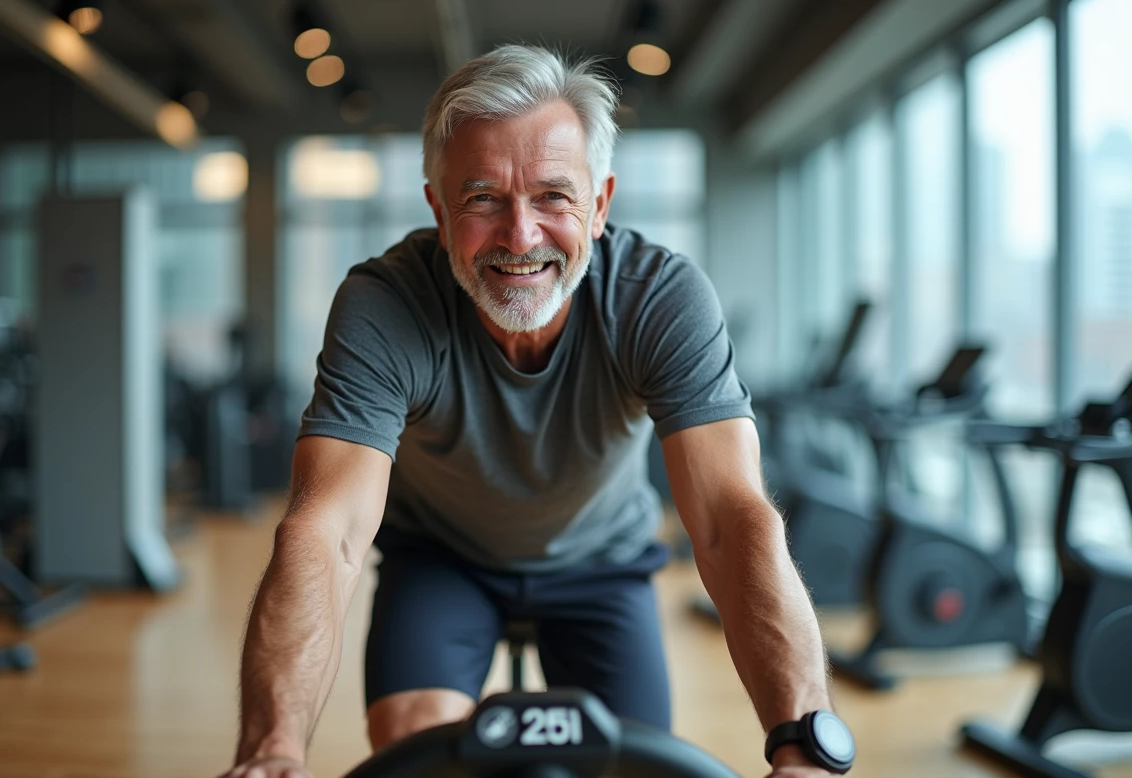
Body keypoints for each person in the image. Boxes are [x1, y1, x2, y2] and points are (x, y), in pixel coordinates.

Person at [221, 45, 851, 778]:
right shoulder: (386, 303)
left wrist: (804, 741)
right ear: (437, 206)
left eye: (553, 196)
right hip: (443, 560)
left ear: (600, 203)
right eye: (483, 197)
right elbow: (324, 533)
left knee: (628, 767)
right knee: (418, 747)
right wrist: (271, 751)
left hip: (602, 563)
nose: (520, 237)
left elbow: (727, 519)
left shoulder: (658, 296)